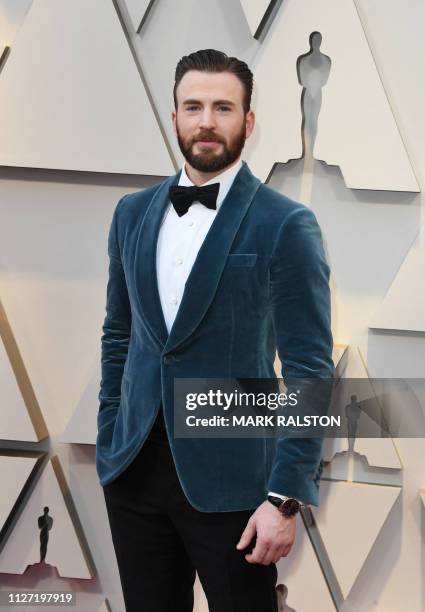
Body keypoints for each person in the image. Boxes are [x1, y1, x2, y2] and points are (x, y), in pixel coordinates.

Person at [96, 48, 334, 612]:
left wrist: (283, 499)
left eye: (222, 107)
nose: (206, 121)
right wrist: (110, 430)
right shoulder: (131, 212)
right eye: (193, 106)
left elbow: (309, 368)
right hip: (133, 472)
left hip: (234, 482)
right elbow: (118, 335)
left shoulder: (286, 223)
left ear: (247, 122)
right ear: (174, 118)